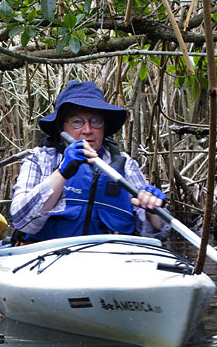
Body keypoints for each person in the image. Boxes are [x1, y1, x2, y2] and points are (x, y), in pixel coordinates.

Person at [10, 81, 169, 242]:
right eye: (77, 122)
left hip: (112, 258)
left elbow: (157, 232)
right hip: (48, 256)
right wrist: (62, 173)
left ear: (104, 128)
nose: (87, 130)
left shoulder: (125, 164)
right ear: (61, 128)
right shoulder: (40, 160)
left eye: (95, 122)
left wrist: (152, 211)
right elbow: (21, 220)